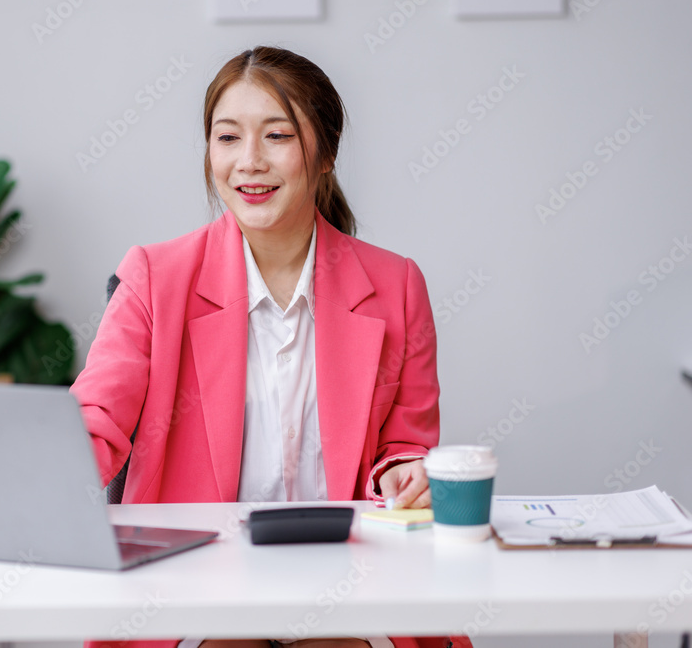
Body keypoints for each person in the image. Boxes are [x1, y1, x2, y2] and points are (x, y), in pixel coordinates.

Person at [71, 46, 470, 648]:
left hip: (351, 576)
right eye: (227, 137)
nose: (249, 162)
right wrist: (27, 476)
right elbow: (94, 422)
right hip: (195, 583)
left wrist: (405, 475)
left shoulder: (396, 286)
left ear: (326, 154)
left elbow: (404, 446)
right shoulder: (154, 279)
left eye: (277, 135)